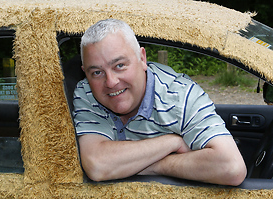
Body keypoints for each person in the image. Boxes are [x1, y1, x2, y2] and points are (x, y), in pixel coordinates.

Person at [73, 19, 246, 186]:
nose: (110, 82)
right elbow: (97, 166)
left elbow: (231, 167)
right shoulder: (86, 93)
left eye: (119, 65)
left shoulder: (181, 96)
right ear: (85, 73)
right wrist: (172, 142)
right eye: (96, 72)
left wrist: (151, 165)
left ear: (142, 59)